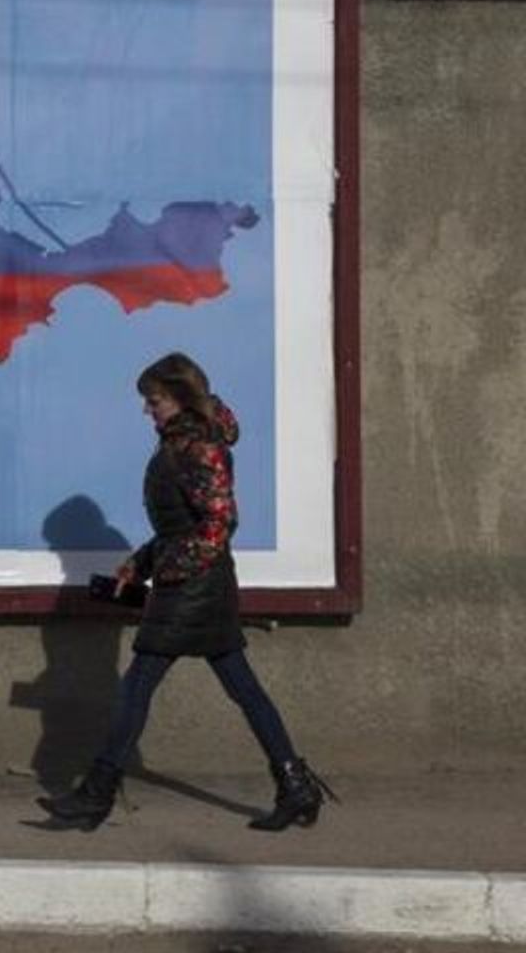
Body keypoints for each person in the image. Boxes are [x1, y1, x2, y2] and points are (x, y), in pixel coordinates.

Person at [37, 352, 335, 832]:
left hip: (193, 589)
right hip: (197, 584)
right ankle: (295, 786)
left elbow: (220, 523)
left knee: (136, 689)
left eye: (153, 400)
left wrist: (169, 570)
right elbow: (182, 526)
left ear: (177, 398)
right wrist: (141, 564)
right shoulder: (182, 443)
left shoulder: (198, 447)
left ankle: (96, 797)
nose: (146, 409)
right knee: (241, 688)